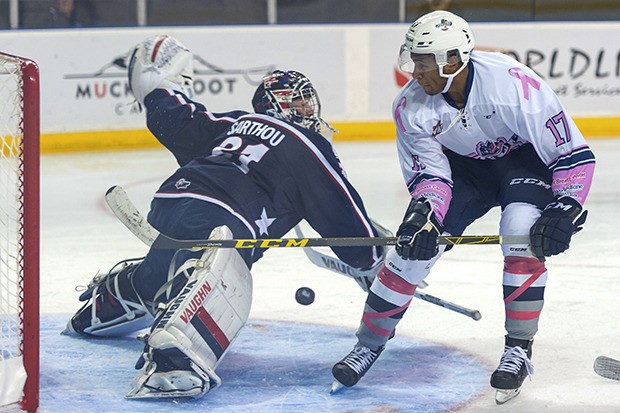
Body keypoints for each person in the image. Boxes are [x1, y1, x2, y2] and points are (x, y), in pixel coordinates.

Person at [64, 35, 385, 399]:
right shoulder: (308, 146)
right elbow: (346, 221)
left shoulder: (235, 124)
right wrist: (373, 261)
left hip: (172, 199)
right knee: (223, 277)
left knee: (166, 267)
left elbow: (174, 118)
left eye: (308, 100)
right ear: (274, 106)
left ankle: (119, 293)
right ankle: (175, 357)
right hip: (223, 220)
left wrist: (158, 88)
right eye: (296, 100)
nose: (307, 109)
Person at [332, 10, 595, 404]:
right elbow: (432, 176)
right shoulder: (410, 107)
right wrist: (427, 215)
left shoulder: (514, 85)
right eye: (412, 61)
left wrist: (565, 207)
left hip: (524, 164)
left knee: (521, 234)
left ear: (452, 60)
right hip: (464, 174)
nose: (414, 73)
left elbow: (571, 154)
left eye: (423, 64)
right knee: (410, 253)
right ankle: (368, 344)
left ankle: (518, 350)